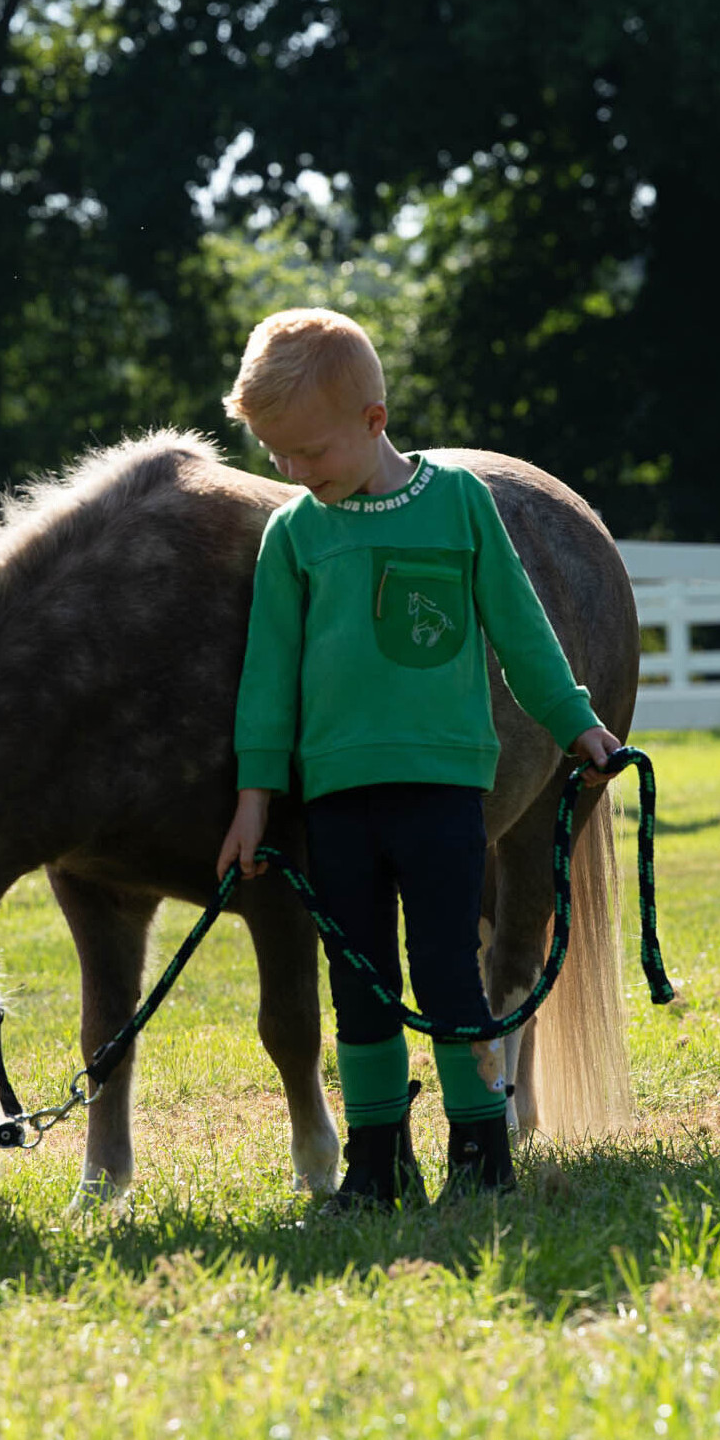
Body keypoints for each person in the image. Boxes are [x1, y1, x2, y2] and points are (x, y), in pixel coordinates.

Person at [215, 307, 622, 1208]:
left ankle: (480, 1151)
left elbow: (522, 628)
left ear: (374, 420)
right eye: (275, 455)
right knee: (357, 984)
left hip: (445, 793)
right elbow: (268, 679)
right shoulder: (296, 535)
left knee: (447, 969)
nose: (291, 473)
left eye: (309, 453)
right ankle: (377, 1161)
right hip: (337, 799)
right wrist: (254, 798)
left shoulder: (459, 505)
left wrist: (575, 725)